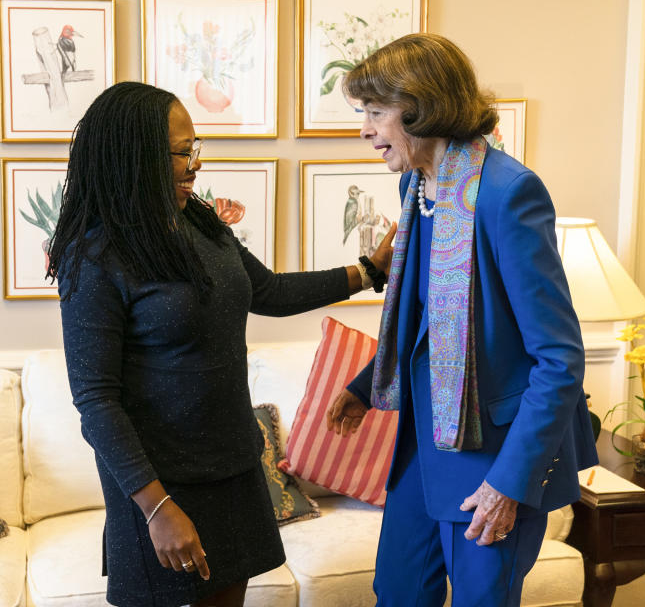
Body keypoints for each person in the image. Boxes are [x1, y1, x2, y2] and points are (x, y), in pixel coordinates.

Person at [47, 81, 394, 607]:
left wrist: (368, 271)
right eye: (183, 152)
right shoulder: (94, 255)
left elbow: (268, 290)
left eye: (196, 148)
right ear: (135, 156)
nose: (195, 165)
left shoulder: (199, 222)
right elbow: (95, 400)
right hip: (159, 487)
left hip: (233, 463)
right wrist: (158, 507)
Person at [325, 34, 598, 606]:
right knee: (396, 593)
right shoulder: (415, 184)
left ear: (420, 107)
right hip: (421, 449)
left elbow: (559, 358)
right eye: (364, 114)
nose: (366, 131)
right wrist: (363, 385)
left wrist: (509, 480)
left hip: (489, 456)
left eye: (376, 113)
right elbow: (424, 319)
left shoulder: (508, 193)